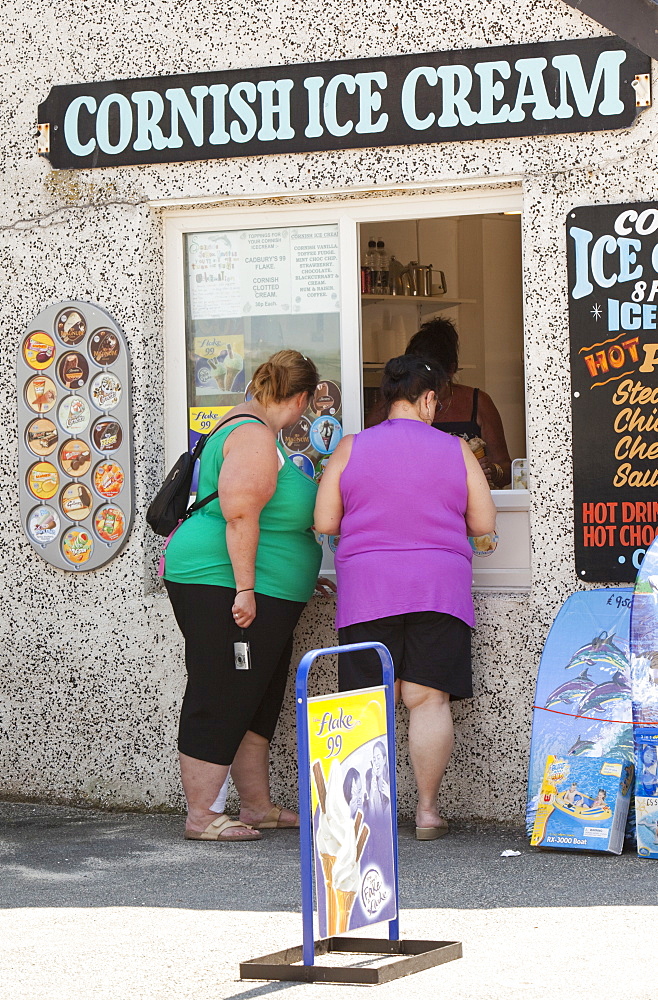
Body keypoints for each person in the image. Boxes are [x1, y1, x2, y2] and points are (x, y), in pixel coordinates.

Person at [314, 354, 496, 840]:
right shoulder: (454, 449)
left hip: (369, 589)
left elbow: (326, 520)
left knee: (368, 701)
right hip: (439, 588)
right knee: (428, 698)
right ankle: (429, 812)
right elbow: (483, 523)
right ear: (429, 398)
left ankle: (366, 815)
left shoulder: (350, 447)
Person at [163, 350, 323, 841]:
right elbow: (239, 514)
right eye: (308, 404)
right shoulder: (253, 437)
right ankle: (202, 815)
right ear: (300, 398)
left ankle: (256, 806)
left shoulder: (253, 429)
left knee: (257, 694)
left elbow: (267, 520)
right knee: (222, 690)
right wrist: (248, 587)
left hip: (253, 582)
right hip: (222, 581)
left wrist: (293, 569)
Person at [405, 318, 512, 488]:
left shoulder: (478, 401)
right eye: (420, 378)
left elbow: (507, 469)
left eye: (434, 379)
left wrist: (491, 470)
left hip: (470, 501)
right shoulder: (400, 402)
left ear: (451, 369)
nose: (428, 389)